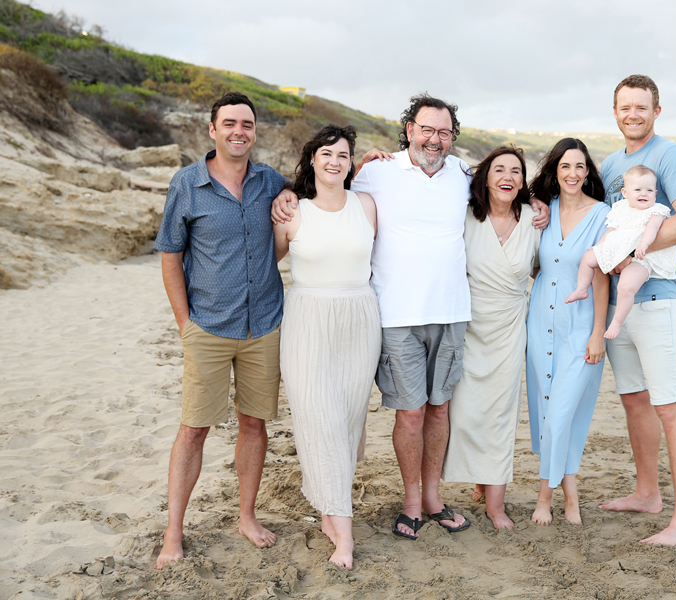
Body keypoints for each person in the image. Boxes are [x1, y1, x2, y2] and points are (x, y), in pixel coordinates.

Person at [271, 93, 549, 540]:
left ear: (452, 137)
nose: (434, 140)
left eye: (444, 132)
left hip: (452, 312)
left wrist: (538, 204)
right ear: (409, 130)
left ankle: (434, 498)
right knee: (411, 413)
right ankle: (411, 501)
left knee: (439, 410)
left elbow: (505, 186)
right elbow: (326, 185)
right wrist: (287, 192)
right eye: (426, 130)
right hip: (396, 315)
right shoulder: (376, 172)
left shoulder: (463, 174)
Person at [154, 92, 286, 568]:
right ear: (212, 130)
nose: (238, 131)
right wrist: (184, 323)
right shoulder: (187, 184)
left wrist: (367, 163)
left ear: (255, 131)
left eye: (246, 124)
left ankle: (246, 517)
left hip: (263, 325)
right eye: (229, 123)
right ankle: (174, 531)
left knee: (254, 424)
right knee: (194, 429)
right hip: (207, 325)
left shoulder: (271, 181)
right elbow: (170, 255)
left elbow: (326, 180)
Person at [598, 74, 676, 545]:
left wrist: (629, 253)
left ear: (656, 111)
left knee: (671, 405)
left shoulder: (668, 154)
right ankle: (647, 493)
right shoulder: (609, 165)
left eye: (642, 107)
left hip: (658, 300)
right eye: (625, 107)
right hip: (618, 305)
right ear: (615, 112)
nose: (633, 114)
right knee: (634, 399)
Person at [273, 124, 379, 570]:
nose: (334, 161)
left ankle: (328, 510)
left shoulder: (367, 205)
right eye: (326, 153)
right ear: (312, 159)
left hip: (360, 322)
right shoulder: (292, 211)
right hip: (308, 324)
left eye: (343, 154)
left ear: (352, 162)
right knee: (321, 422)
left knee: (347, 424)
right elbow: (265, 263)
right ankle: (345, 536)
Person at [441, 146, 541, 530]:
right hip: (468, 325)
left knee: (500, 414)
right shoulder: (465, 216)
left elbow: (544, 268)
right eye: (499, 169)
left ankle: (495, 505)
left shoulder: (534, 218)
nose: (508, 177)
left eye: (516, 171)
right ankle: (480, 481)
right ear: (485, 177)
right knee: (465, 412)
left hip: (510, 327)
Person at [526, 138, 610, 526]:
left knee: (561, 414)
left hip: (580, 327)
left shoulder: (602, 215)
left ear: (588, 171)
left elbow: (602, 277)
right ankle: (571, 495)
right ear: (555, 171)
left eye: (579, 166)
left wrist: (598, 333)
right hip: (541, 322)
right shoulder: (543, 210)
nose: (572, 173)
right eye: (565, 166)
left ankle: (545, 497)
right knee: (549, 413)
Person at [565, 165, 676, 339]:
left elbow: (652, 230)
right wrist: (599, 245)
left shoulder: (656, 211)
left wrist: (643, 245)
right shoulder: (620, 208)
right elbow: (611, 230)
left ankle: (617, 322)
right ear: (625, 193)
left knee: (625, 286)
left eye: (649, 190)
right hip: (617, 249)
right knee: (587, 257)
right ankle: (581, 288)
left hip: (640, 258)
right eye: (638, 189)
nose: (644, 194)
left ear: (655, 193)